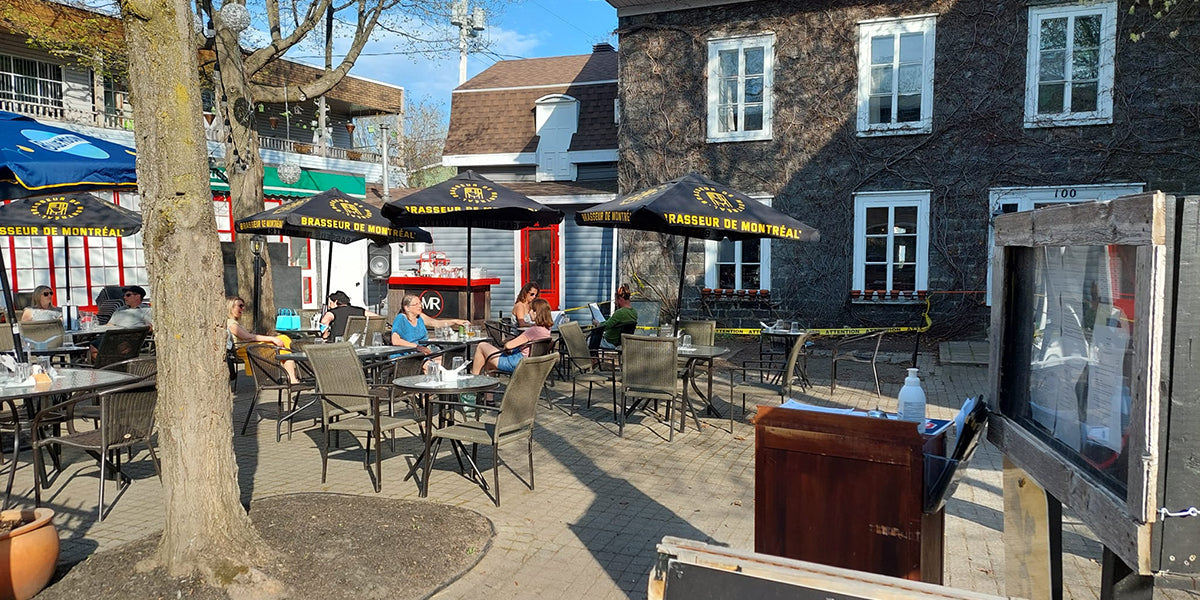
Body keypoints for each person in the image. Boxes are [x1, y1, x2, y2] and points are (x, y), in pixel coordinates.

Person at [226, 296, 298, 383]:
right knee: (283, 340)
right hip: (245, 350)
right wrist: (272, 339)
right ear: (231, 307)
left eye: (243, 306)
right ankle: (293, 376)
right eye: (240, 306)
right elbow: (248, 337)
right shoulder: (231, 323)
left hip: (249, 347)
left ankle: (292, 375)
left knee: (283, 340)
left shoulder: (234, 322)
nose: (243, 308)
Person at [473, 297, 552, 374]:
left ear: (536, 312)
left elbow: (509, 345)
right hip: (532, 363)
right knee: (490, 362)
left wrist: (506, 346)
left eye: (531, 309)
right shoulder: (546, 329)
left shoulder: (533, 331)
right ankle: (489, 384)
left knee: (481, 346)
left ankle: (474, 380)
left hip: (517, 363)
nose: (529, 312)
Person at [390, 294, 468, 356]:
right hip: (409, 352)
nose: (420, 306)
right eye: (416, 304)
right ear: (407, 308)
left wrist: (455, 321)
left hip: (425, 349)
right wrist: (417, 347)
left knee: (447, 359)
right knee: (434, 365)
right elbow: (396, 341)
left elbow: (436, 323)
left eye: (420, 303)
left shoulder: (420, 317)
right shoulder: (401, 319)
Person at [591, 283, 638, 350]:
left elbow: (605, 327)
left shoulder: (620, 312)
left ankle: (592, 358)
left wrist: (597, 323)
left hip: (610, 343)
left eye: (615, 299)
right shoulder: (634, 312)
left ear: (620, 299)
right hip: (622, 343)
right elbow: (612, 322)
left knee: (588, 340)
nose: (614, 302)